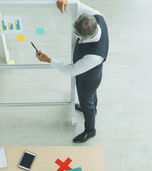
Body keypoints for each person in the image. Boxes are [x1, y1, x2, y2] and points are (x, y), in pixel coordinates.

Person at [35, 0, 109, 143]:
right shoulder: (96, 17)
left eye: (77, 33)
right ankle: (93, 108)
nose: (74, 33)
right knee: (92, 96)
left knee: (87, 98)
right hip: (92, 73)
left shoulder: (94, 56)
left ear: (87, 36)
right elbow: (77, 5)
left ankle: (90, 130)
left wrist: (49, 60)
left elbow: (71, 70)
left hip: (88, 79)